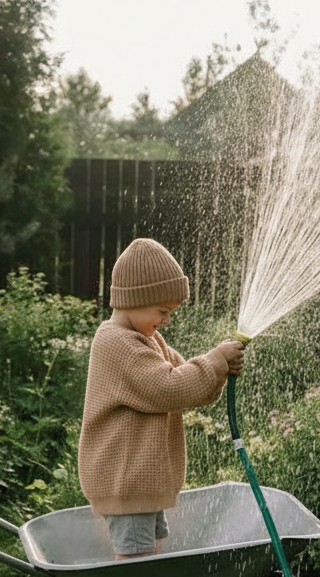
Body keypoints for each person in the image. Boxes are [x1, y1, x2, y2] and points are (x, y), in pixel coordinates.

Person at [77, 237, 244, 559]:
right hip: (125, 479)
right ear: (134, 299)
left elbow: (187, 384)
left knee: (151, 549)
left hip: (142, 480)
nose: (167, 319)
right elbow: (169, 388)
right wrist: (214, 361)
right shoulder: (116, 342)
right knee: (135, 556)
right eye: (163, 310)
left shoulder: (147, 339)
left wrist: (220, 368)